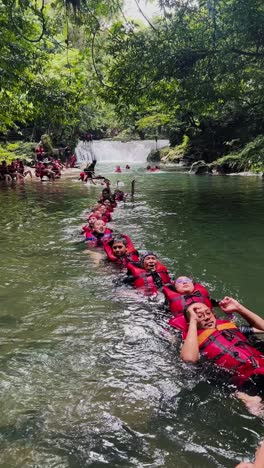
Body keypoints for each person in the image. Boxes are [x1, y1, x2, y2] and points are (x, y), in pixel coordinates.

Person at [175, 298, 264, 404]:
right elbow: (189, 359)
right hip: (244, 382)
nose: (206, 318)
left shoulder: (230, 327)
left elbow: (262, 328)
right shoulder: (192, 341)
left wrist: (239, 308)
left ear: (213, 313)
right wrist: (193, 321)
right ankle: (242, 396)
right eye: (199, 316)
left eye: (208, 313)